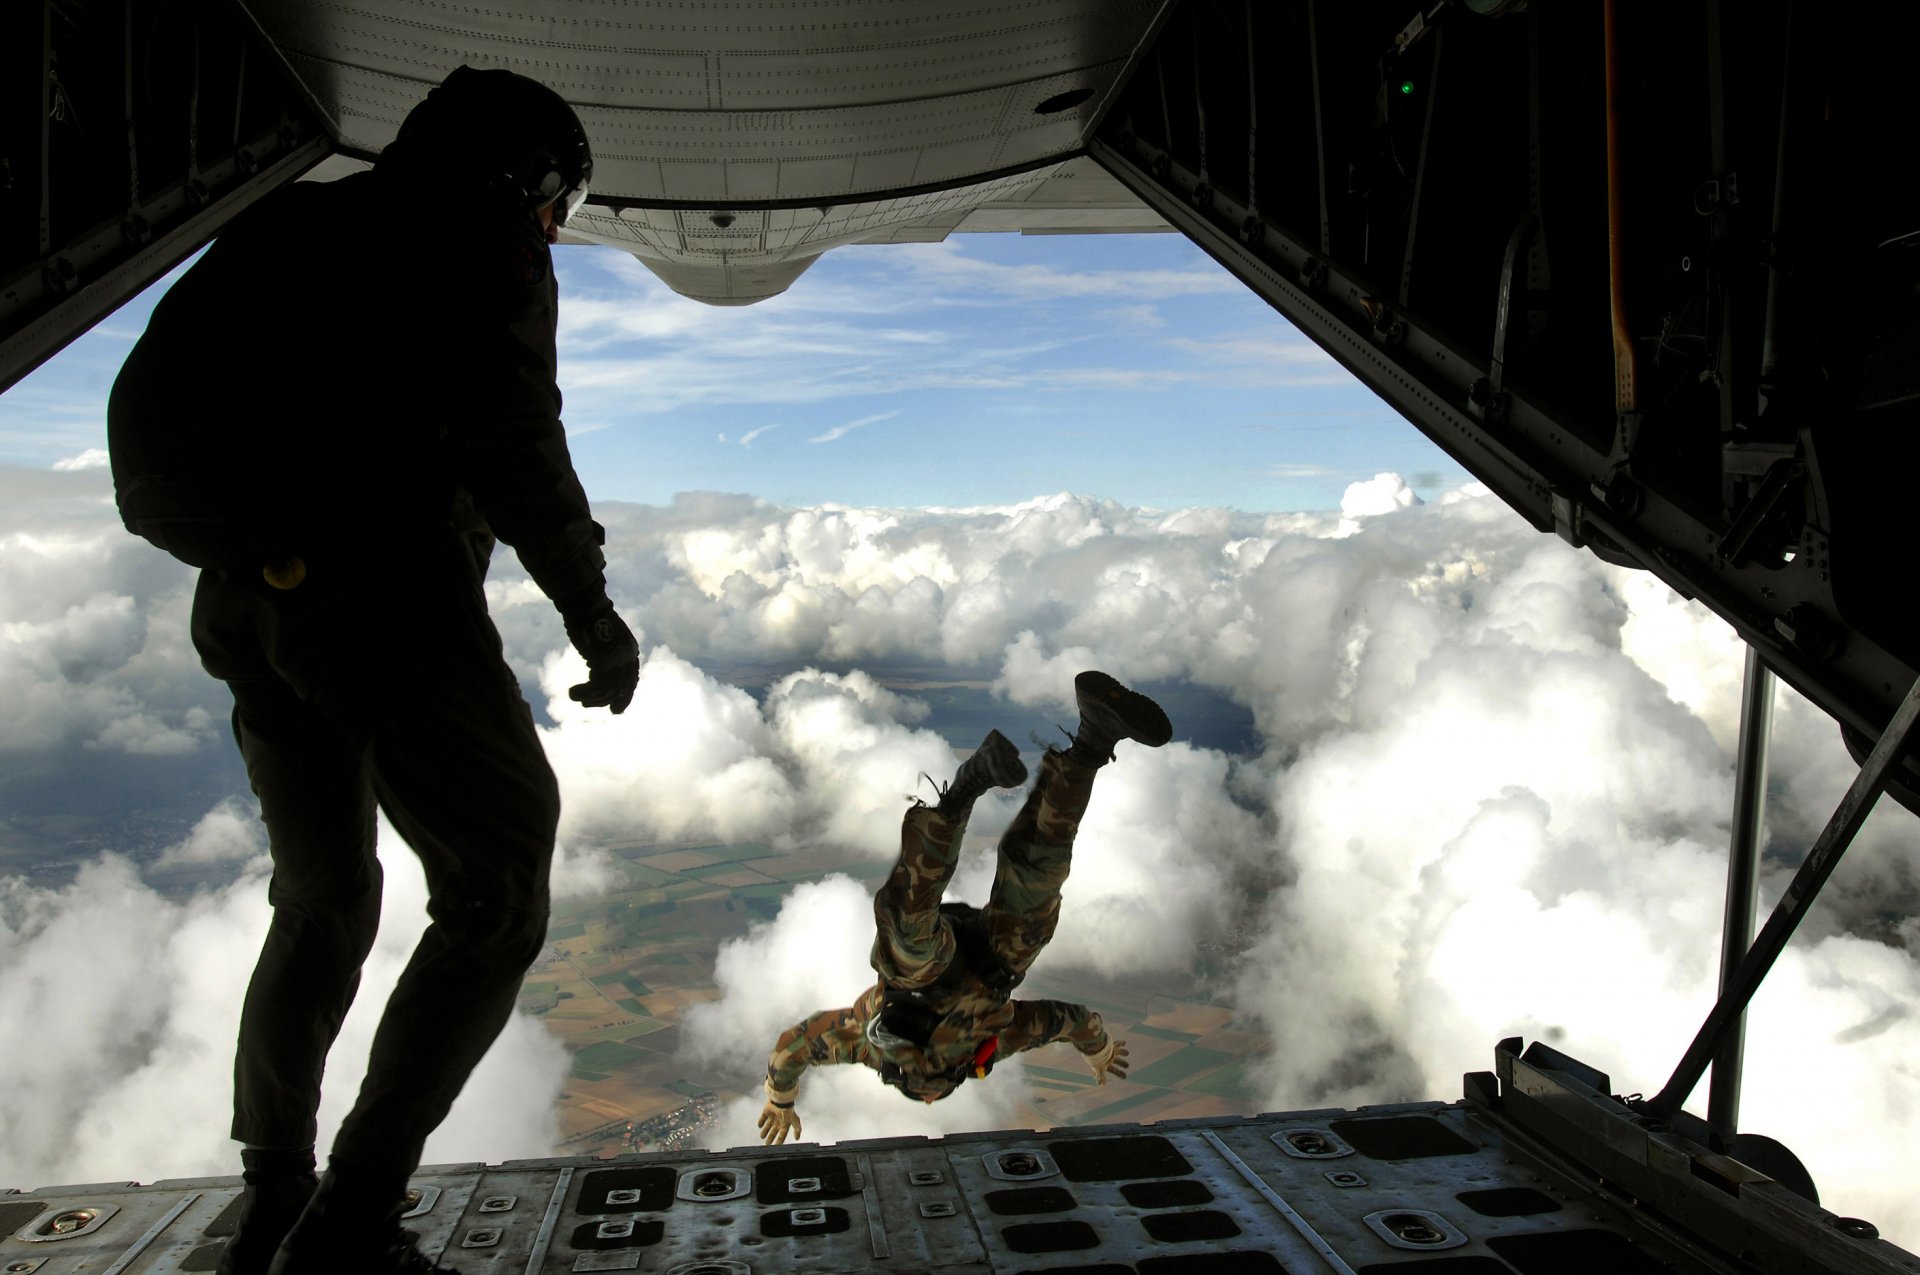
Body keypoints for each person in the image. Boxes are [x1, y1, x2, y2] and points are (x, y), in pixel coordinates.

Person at [106, 67, 638, 1275]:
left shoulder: (287, 225)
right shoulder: (482, 240)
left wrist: (268, 559)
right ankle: (351, 1222)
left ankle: (276, 1191)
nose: (555, 224)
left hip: (249, 609)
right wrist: (593, 617)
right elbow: (516, 443)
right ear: (530, 179)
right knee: (499, 886)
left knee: (324, 898)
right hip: (386, 606)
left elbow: (144, 430)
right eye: (558, 200)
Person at [757, 671, 1171, 1142]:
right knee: (1039, 871)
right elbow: (1068, 1021)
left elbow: (796, 1044)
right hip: (995, 961)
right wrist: (1095, 1047)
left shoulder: (869, 1046)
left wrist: (779, 1096)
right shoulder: (992, 1042)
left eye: (925, 1093)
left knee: (910, 939)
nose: (931, 1096)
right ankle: (1094, 736)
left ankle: (964, 790)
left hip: (919, 975)